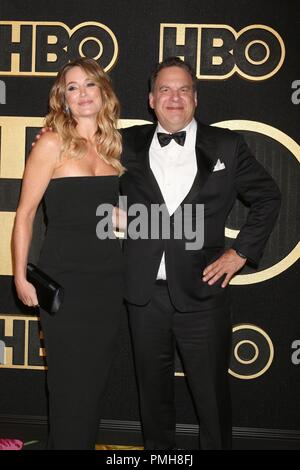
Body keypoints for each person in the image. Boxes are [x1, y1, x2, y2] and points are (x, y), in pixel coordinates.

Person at [120, 56, 281, 449]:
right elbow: (81, 162)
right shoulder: (126, 143)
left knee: (211, 400)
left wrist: (240, 252)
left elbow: (267, 196)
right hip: (144, 296)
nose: (174, 97)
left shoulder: (225, 144)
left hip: (203, 295)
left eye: (183, 89)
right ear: (151, 100)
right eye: (165, 90)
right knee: (152, 402)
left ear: (195, 97)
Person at [12, 57, 125, 450]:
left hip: (110, 282)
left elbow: (119, 220)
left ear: (102, 92)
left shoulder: (117, 146)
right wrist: (20, 276)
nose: (82, 94)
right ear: (63, 98)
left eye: (89, 85)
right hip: (65, 281)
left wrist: (146, 223)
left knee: (93, 385)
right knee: (66, 384)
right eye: (72, 88)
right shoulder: (51, 142)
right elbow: (25, 214)